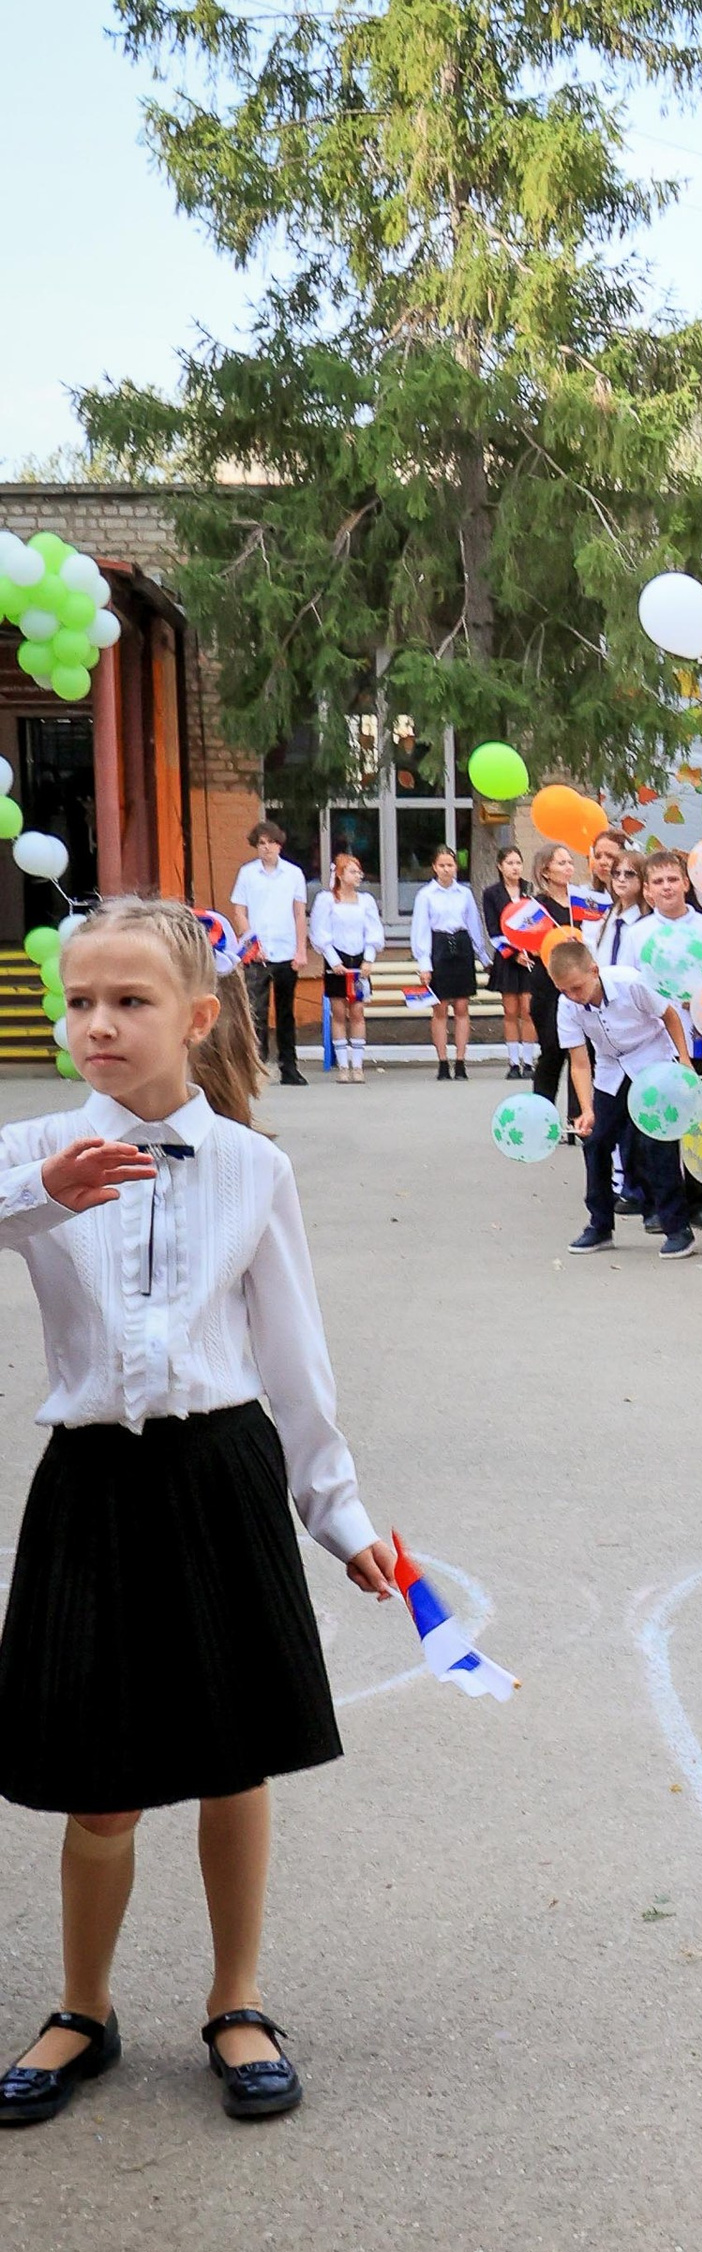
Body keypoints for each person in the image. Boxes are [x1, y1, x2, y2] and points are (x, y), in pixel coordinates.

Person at [0, 898, 400, 2131]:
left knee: (235, 1761)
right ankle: (83, 2006)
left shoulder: (253, 1167)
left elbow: (294, 1358)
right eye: (80, 1003)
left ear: (199, 1016)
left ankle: (236, 1998)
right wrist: (51, 1195)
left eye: (130, 1001)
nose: (99, 1025)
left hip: (221, 1471)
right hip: (93, 1479)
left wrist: (341, 1517)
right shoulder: (36, 1152)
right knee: (99, 1784)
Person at [551, 934, 697, 1258]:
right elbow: (578, 1062)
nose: (573, 996)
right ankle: (600, 1224)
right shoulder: (567, 1005)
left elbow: (669, 1015)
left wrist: (684, 1060)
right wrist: (586, 1109)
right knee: (597, 1141)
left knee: (656, 1143)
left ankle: (677, 1228)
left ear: (593, 970)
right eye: (564, 990)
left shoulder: (629, 983)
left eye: (577, 987)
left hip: (651, 1060)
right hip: (611, 1070)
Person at [229, 819, 310, 1088]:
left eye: (271, 843)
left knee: (286, 1012)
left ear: (279, 844)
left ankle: (290, 1067)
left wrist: (301, 950)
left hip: (286, 950)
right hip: (258, 954)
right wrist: (251, 942)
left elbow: (299, 913)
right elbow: (239, 911)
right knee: (256, 1011)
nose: (266, 848)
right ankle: (257, 1066)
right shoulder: (248, 873)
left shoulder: (293, 874)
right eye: (261, 844)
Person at [409, 846, 490, 1077]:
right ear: (434, 867)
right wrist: (424, 964)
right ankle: (443, 1062)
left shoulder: (464, 893)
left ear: (456, 867)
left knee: (462, 1006)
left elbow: (473, 925)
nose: (446, 869)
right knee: (440, 1008)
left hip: (461, 947)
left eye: (450, 865)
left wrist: (482, 955)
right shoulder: (426, 895)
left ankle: (461, 1061)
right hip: (439, 947)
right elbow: (421, 930)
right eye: (442, 865)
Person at [308, 847, 386, 1084]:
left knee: (358, 1011)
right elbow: (320, 932)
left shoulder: (366, 901)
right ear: (340, 874)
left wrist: (369, 959)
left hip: (358, 959)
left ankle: (358, 1065)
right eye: (353, 871)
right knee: (339, 1012)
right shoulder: (327, 900)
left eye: (359, 872)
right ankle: (343, 1065)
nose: (358, 876)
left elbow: (373, 930)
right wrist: (334, 960)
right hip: (338, 959)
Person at [524, 845, 582, 1108]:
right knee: (552, 1052)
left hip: (579, 984)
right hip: (548, 985)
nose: (568, 867)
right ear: (545, 869)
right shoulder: (536, 906)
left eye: (570, 862)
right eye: (561, 863)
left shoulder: (581, 901)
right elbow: (525, 941)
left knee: (580, 1052)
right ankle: (542, 1113)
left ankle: (578, 1117)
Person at [484, 847, 542, 1077]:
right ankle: (513, 1062)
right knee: (510, 1010)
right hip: (507, 957)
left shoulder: (530, 890)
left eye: (518, 862)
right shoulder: (492, 894)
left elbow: (538, 922)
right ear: (500, 866)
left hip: (530, 956)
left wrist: (530, 949)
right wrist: (513, 952)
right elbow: (493, 930)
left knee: (528, 1010)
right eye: (510, 863)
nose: (515, 867)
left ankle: (529, 1062)